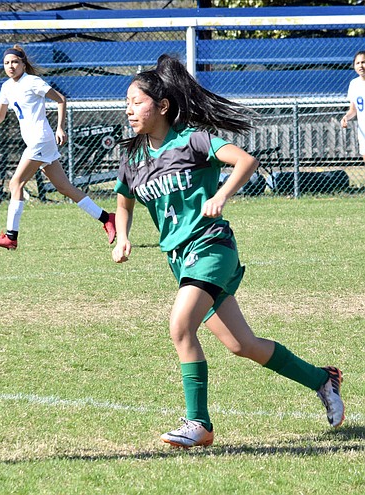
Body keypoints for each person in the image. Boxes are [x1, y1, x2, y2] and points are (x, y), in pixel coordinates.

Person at [111, 54, 345, 448]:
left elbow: (245, 161)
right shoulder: (133, 158)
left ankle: (198, 425)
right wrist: (122, 236)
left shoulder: (193, 140)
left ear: (162, 106)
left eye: (136, 102)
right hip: (179, 260)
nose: (129, 110)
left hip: (211, 247)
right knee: (242, 345)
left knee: (180, 326)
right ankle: (322, 379)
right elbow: (123, 203)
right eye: (127, 104)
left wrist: (220, 194)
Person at [0, 44, 116, 250]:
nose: (11, 66)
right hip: (38, 142)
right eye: (7, 63)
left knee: (15, 184)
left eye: (15, 62)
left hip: (40, 140)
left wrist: (60, 127)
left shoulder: (33, 82)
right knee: (64, 187)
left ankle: (11, 237)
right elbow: (0, 115)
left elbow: (61, 99)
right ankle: (107, 218)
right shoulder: (7, 87)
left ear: (23, 64)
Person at [341, 50, 365, 163]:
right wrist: (346, 117)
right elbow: (353, 109)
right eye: (358, 63)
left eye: (364, 62)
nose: (361, 66)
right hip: (363, 130)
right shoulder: (354, 84)